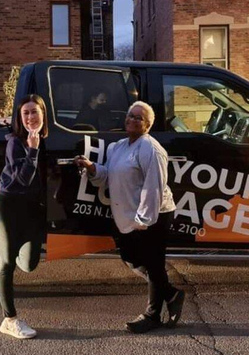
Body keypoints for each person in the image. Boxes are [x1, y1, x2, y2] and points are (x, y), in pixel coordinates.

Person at [75, 101, 185, 334]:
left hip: (154, 215)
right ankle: (171, 294)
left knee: (154, 264)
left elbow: (154, 187)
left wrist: (144, 221)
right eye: (130, 115)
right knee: (130, 258)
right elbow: (109, 176)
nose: (133, 119)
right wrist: (93, 168)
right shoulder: (118, 147)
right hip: (129, 216)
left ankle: (152, 315)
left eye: (139, 117)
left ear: (148, 124)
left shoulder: (151, 149)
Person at [0, 94, 48, 339]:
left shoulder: (45, 139)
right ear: (20, 118)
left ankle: (1, 246)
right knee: (7, 265)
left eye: (34, 111)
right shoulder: (17, 143)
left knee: (29, 264)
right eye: (25, 113)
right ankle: (9, 319)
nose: (30, 117)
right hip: (7, 206)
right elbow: (22, 180)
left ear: (43, 113)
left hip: (30, 210)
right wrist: (32, 151)